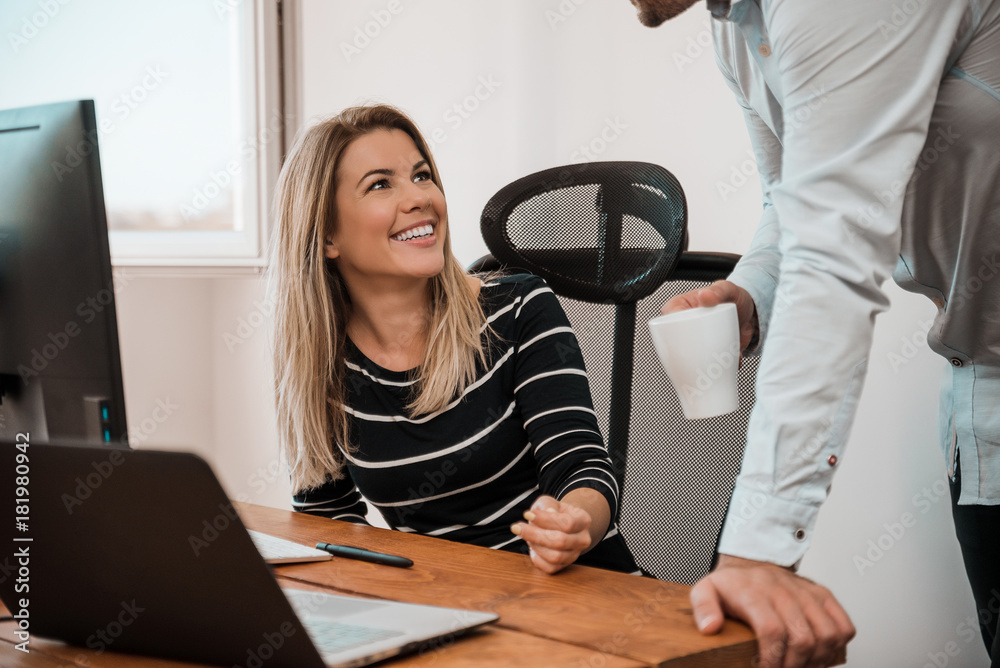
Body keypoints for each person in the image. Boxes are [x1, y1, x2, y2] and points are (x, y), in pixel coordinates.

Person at [626, 0, 1000, 666]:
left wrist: (757, 554)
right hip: (981, 413)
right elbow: (792, 199)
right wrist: (752, 291)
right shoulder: (735, 27)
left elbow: (832, 254)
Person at [268, 104, 640, 576]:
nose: (420, 197)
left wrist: (575, 523)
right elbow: (328, 524)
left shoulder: (519, 308)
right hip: (454, 611)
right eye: (381, 184)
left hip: (579, 595)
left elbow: (580, 464)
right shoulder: (322, 363)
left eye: (421, 176)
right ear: (326, 235)